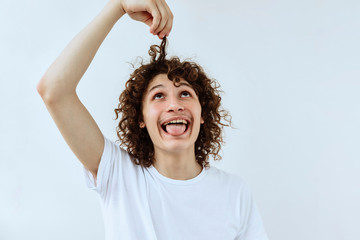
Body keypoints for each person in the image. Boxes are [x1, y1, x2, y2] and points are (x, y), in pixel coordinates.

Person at [37, 0, 269, 239]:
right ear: (141, 119)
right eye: (159, 95)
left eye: (185, 94)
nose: (174, 105)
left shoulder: (235, 192)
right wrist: (118, 6)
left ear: (202, 115)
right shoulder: (119, 174)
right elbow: (54, 90)